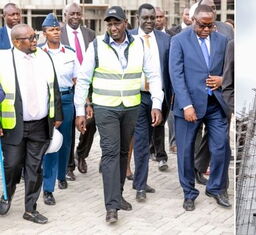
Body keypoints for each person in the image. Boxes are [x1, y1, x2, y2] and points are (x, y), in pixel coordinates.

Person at [74, 6, 164, 223]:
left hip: (131, 106)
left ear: (126, 23)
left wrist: (157, 103)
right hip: (105, 108)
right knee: (111, 153)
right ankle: (111, 207)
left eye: (117, 23)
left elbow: (154, 74)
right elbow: (83, 79)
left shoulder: (140, 44)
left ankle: (119, 195)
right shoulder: (96, 45)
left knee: (124, 152)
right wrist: (80, 110)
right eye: (110, 24)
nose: (113, 28)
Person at [169, 4, 230, 211]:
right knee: (185, 152)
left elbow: (229, 69)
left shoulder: (222, 40)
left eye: (210, 25)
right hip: (189, 106)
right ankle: (189, 193)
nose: (206, 29)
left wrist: (222, 79)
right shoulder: (178, 41)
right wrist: (186, 105)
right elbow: (176, 75)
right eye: (203, 25)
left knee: (221, 147)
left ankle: (216, 188)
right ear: (193, 20)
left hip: (215, 104)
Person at [0, 24, 63, 224]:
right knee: (11, 166)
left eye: (35, 36)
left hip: (40, 124)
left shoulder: (44, 57)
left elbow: (54, 87)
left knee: (34, 168)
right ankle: (6, 196)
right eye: (30, 38)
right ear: (17, 42)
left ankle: (30, 208)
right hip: (13, 126)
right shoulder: (3, 61)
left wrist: (57, 115)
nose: (35, 40)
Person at [129, 3, 171, 201]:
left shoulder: (165, 39)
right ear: (138, 18)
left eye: (152, 18)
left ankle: (141, 180)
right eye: (145, 18)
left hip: (158, 96)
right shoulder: (128, 38)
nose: (149, 21)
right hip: (136, 96)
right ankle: (140, 186)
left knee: (152, 138)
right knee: (141, 141)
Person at [39, 13, 79, 205]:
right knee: (51, 143)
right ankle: (48, 188)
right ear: (44, 33)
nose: (55, 32)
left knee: (65, 141)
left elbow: (77, 80)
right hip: (45, 102)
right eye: (51, 30)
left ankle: (62, 174)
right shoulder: (38, 53)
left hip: (65, 99)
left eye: (57, 29)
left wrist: (83, 105)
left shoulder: (69, 52)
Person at [60, 2, 96, 179]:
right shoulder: (58, 34)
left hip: (87, 86)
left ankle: (81, 154)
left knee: (91, 123)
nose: (75, 17)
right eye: (72, 14)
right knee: (69, 126)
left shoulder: (90, 34)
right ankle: (68, 166)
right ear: (65, 15)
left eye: (78, 14)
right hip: (68, 86)